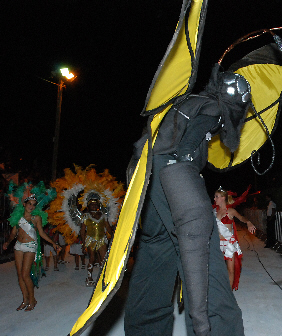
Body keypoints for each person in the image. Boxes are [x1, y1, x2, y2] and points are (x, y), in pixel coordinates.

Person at [124, 67, 252, 336]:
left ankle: (146, 329)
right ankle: (215, 330)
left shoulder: (189, 101)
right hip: (172, 173)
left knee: (157, 249)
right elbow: (189, 142)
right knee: (204, 257)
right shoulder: (214, 109)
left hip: (145, 175)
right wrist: (185, 175)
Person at [2, 183, 59, 312]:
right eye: (29, 204)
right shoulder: (18, 216)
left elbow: (42, 233)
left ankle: (32, 300)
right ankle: (25, 299)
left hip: (30, 246)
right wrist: (7, 242)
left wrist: (53, 243)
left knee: (25, 274)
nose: (31, 206)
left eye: (34, 204)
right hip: (18, 246)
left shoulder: (36, 217)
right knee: (19, 275)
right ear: (24, 204)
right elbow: (13, 233)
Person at [214, 188, 256, 290]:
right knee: (216, 270)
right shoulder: (214, 212)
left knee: (230, 270)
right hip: (217, 244)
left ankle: (229, 294)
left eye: (216, 196)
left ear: (223, 198)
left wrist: (248, 222)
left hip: (228, 244)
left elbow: (241, 218)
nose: (214, 199)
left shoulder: (230, 211)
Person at [80, 192, 113, 287]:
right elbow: (82, 231)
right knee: (92, 259)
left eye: (95, 204)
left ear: (98, 205)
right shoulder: (85, 216)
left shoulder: (103, 215)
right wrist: (83, 244)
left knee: (104, 259)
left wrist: (114, 235)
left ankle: (104, 277)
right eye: (92, 204)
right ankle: (89, 278)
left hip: (102, 239)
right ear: (88, 205)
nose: (94, 206)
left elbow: (108, 228)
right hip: (90, 240)